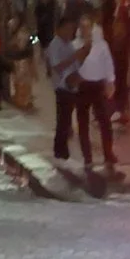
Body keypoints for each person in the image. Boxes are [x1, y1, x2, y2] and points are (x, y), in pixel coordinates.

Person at [74, 8, 119, 179]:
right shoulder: (76, 45)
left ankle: (108, 154)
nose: (85, 29)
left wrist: (110, 81)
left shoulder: (101, 45)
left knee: (104, 122)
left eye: (88, 26)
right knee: (83, 123)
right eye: (82, 26)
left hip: (97, 86)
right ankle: (88, 158)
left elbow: (108, 64)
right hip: (82, 86)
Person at [44, 11, 84, 162]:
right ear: (59, 29)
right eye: (67, 29)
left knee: (66, 120)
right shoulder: (55, 45)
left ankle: (62, 150)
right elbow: (57, 67)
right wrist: (74, 57)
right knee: (63, 120)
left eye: (71, 29)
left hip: (71, 86)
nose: (69, 32)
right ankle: (60, 151)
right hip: (62, 87)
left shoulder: (69, 44)